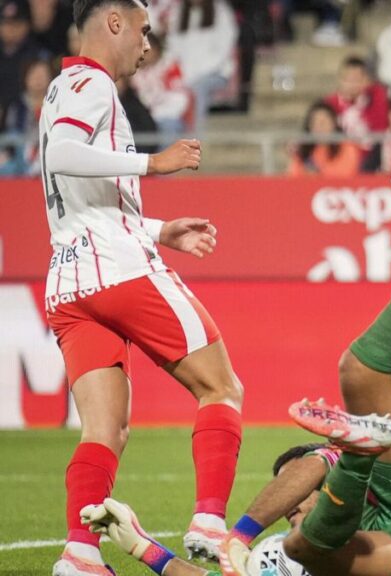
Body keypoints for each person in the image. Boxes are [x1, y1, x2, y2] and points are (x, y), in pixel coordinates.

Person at [81, 171, 391, 576]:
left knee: (360, 372)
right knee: (302, 547)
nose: (293, 510)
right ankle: (358, 451)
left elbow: (313, 466)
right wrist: (142, 547)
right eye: (289, 510)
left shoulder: (318, 486)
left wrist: (239, 536)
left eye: (298, 502)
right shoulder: (288, 551)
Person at [43, 2, 244, 574]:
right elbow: (60, 155)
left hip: (70, 278)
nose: (147, 46)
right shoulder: (93, 85)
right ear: (114, 23)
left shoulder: (61, 88)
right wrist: (154, 163)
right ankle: (209, 520)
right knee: (221, 388)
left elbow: (82, 195)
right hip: (117, 269)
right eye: (144, 31)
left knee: (106, 428)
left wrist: (160, 229)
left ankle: (80, 555)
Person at [165, 0, 238, 136]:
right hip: (185, 74)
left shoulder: (221, 10)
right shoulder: (179, 12)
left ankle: (195, 138)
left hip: (216, 73)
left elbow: (224, 48)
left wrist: (196, 75)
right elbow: (172, 46)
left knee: (198, 89)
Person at [288, 102, 362, 178]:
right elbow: (294, 177)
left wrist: (317, 174)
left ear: (334, 123)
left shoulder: (347, 147)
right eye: (314, 123)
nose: (319, 127)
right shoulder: (303, 151)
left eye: (323, 122)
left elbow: (343, 175)